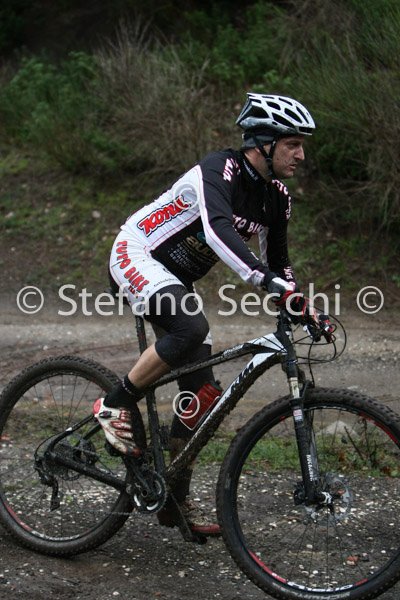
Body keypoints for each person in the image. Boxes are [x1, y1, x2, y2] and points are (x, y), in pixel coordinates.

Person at [93, 93, 316, 536]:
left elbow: (279, 263)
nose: (301, 154)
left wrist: (299, 302)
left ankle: (173, 499)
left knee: (202, 395)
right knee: (191, 327)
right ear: (264, 142)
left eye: (301, 145)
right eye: (292, 144)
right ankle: (114, 404)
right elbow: (217, 231)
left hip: (174, 278)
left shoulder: (276, 198)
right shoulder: (217, 170)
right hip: (136, 253)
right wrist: (262, 279)